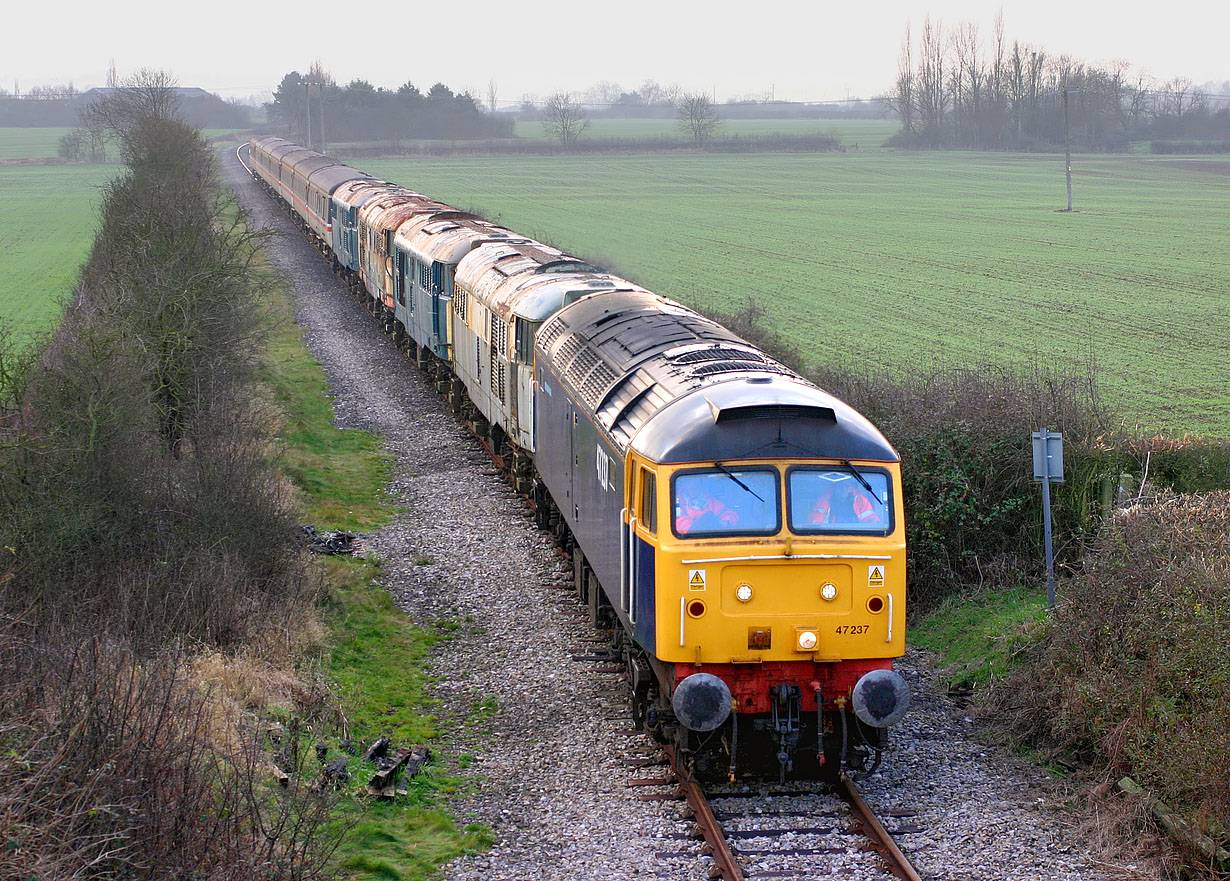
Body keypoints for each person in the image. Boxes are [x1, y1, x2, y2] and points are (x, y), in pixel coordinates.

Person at [809, 482, 882, 527]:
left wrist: (873, 521)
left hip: (857, 537)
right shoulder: (823, 501)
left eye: (846, 486)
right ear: (835, 487)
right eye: (840, 486)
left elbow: (871, 519)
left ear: (850, 487)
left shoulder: (860, 500)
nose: (843, 489)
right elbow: (816, 522)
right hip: (830, 536)